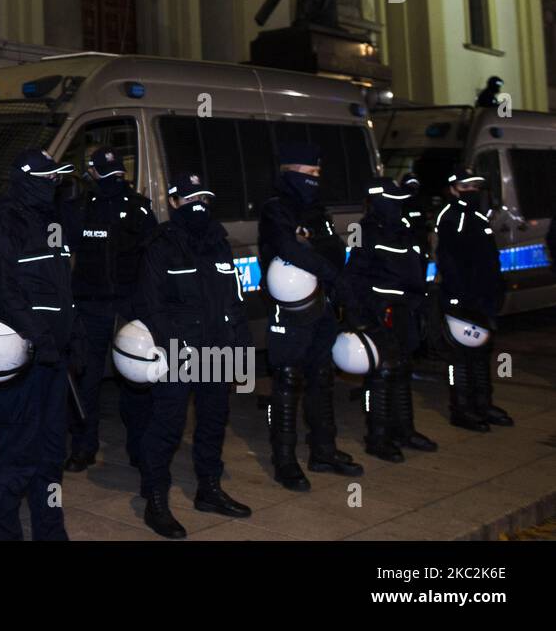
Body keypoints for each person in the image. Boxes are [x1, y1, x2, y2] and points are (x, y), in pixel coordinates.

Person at [135, 173, 252, 538]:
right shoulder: (161, 244)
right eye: (190, 199)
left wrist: (239, 352)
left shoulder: (219, 242)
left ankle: (209, 490)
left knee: (214, 423)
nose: (198, 204)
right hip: (178, 350)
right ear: (173, 203)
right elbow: (151, 306)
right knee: (167, 427)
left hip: (217, 347)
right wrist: (173, 348)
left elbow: (233, 300)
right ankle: (156, 500)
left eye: (204, 197)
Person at [0, 149, 76, 541]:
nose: (54, 183)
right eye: (47, 177)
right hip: (22, 359)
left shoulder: (51, 221)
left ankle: (51, 533)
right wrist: (40, 338)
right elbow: (6, 293)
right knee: (16, 457)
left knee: (50, 457)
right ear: (26, 178)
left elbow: (64, 289)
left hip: (54, 360)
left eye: (57, 177)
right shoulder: (2, 222)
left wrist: (75, 336)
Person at [258, 141, 363, 491]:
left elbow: (329, 249)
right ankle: (285, 461)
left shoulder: (317, 211)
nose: (316, 179)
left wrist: (335, 280)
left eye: (319, 173)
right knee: (287, 381)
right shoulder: (276, 210)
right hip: (290, 311)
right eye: (310, 173)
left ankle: (324, 450)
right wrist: (332, 273)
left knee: (322, 377)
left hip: (323, 307)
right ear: (290, 172)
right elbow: (289, 248)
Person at [63, 146, 156, 473]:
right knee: (87, 380)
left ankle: (137, 447)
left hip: (127, 308)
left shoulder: (138, 210)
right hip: (90, 307)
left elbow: (152, 261)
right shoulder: (79, 209)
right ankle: (83, 446)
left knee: (134, 378)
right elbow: (64, 255)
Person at [340, 177, 437, 463]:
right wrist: (362, 318)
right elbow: (351, 278)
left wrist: (419, 304)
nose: (400, 205)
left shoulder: (404, 229)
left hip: (406, 311)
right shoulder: (365, 231)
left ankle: (404, 431)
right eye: (394, 200)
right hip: (380, 312)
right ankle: (378, 438)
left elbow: (416, 269)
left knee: (403, 369)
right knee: (381, 374)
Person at [434, 166, 513, 431]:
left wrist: (496, 289)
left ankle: (483, 404)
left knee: (482, 353)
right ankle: (462, 408)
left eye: (475, 188)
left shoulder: (478, 215)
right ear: (453, 189)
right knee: (461, 357)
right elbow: (448, 260)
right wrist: (458, 297)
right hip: (463, 298)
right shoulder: (450, 217)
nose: (472, 192)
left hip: (484, 297)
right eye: (466, 187)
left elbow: (488, 258)